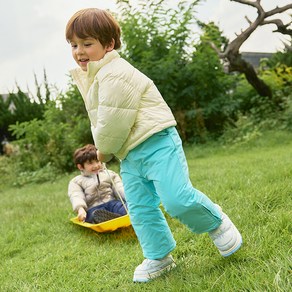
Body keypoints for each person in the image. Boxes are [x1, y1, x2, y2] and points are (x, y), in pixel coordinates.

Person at [65, 8, 243, 282]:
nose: (79, 51)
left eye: (87, 44)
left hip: (156, 141)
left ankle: (216, 221)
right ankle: (159, 256)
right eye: (74, 45)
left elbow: (112, 122)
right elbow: (101, 119)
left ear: (109, 44)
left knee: (176, 198)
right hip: (130, 154)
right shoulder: (92, 76)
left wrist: (102, 151)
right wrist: (111, 147)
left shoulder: (115, 73)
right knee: (140, 208)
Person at [68, 144, 127, 224]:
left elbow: (119, 188)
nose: (96, 165)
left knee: (125, 207)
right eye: (90, 163)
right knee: (93, 215)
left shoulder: (110, 174)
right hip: (94, 208)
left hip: (112, 203)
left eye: (97, 161)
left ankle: (119, 214)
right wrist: (80, 209)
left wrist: (129, 198)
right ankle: (108, 218)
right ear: (80, 167)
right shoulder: (77, 182)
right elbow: (76, 195)